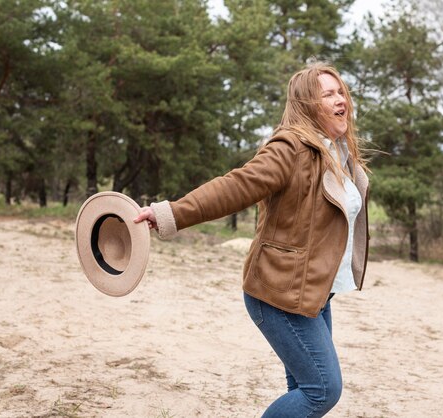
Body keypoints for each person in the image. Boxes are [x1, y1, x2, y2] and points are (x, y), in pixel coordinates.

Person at [134, 61, 369, 417]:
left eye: (342, 92)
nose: (342, 101)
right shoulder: (290, 148)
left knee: (302, 389)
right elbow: (235, 186)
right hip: (277, 293)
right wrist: (171, 213)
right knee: (322, 390)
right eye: (329, 94)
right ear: (307, 105)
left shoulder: (336, 153)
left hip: (314, 294)